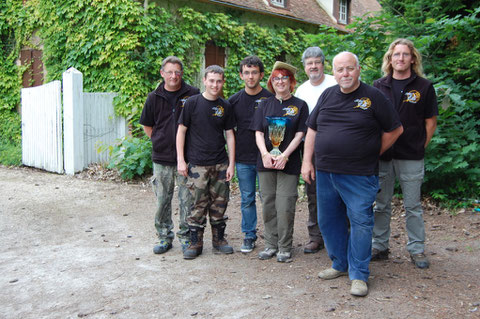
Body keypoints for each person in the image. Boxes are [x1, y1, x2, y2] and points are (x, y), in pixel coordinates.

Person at [301, 52, 403, 296]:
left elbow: (396, 129)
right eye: (339, 70)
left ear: (358, 70)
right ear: (333, 73)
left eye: (349, 69)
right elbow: (312, 130)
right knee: (328, 221)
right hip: (325, 172)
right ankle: (340, 264)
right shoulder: (327, 94)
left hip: (359, 174)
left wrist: (372, 150)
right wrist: (306, 162)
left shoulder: (373, 97)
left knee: (361, 222)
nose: (344, 74)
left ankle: (359, 274)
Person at [371, 39, 438, 269]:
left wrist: (421, 145)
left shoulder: (424, 87)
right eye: (396, 54)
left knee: (413, 206)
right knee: (381, 204)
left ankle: (417, 249)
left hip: (411, 155)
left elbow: (431, 122)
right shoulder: (378, 86)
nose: (400, 58)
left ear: (413, 58)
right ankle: (379, 246)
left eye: (405, 54)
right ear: (390, 58)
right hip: (383, 155)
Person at [139, 56, 200, 254]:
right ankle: (164, 237)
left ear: (182, 73)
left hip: (188, 158)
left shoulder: (193, 94)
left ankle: (185, 237)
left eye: (177, 72)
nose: (174, 76)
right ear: (162, 73)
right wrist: (159, 139)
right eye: (170, 72)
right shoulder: (153, 97)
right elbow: (148, 125)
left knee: (187, 200)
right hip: (162, 158)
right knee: (162, 200)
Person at [251, 61, 309, 263]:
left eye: (284, 78)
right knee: (268, 204)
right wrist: (266, 154)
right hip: (265, 161)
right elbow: (258, 132)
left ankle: (284, 246)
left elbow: (301, 134)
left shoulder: (300, 105)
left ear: (291, 81)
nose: (280, 81)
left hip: (289, 163)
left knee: (285, 205)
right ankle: (270, 244)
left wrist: (285, 155)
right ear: (271, 82)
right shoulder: (264, 104)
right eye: (276, 78)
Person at [176, 65, 236, 260]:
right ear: (204, 81)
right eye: (211, 80)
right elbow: (181, 131)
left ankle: (219, 240)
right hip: (197, 165)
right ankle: (195, 243)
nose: (215, 85)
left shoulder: (225, 106)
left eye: (218, 81)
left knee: (219, 204)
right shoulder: (192, 103)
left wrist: (231, 163)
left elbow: (230, 135)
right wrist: (181, 160)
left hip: (220, 163)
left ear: (222, 82)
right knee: (197, 205)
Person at [229, 56, 273, 253]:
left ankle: (273, 236)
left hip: (266, 157)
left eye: (254, 72)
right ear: (241, 75)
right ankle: (249, 235)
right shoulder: (234, 101)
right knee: (247, 198)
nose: (250, 76)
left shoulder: (270, 99)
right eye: (246, 72)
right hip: (243, 157)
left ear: (261, 75)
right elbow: (228, 131)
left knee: (268, 197)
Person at [295, 46, 337, 254]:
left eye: (316, 62)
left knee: (338, 192)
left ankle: (339, 235)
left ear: (323, 63)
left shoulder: (335, 83)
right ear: (305, 67)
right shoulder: (301, 90)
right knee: (313, 193)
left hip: (337, 148)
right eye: (309, 63)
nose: (313, 66)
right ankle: (315, 236)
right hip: (311, 149)